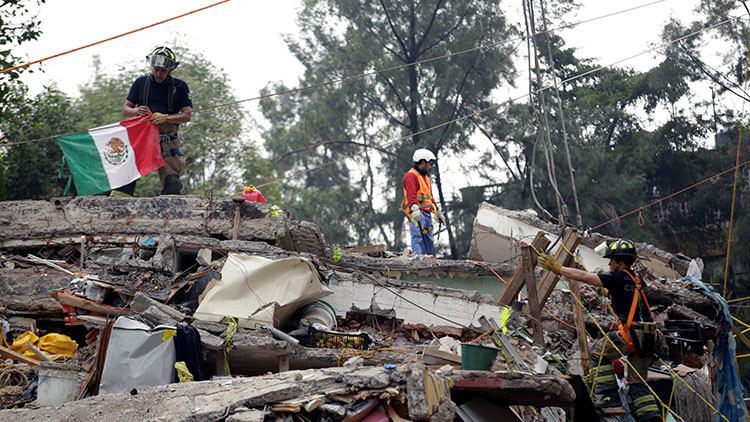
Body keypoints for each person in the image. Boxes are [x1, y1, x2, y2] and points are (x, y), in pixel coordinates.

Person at [538, 239, 662, 422]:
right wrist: (608, 293)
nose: (609, 263)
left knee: (597, 353)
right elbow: (627, 295)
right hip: (649, 337)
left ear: (619, 261)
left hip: (631, 334)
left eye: (611, 260)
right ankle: (651, 416)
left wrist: (558, 268)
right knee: (638, 383)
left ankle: (608, 398)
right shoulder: (637, 280)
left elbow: (584, 277)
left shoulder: (617, 277)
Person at [113, 46, 193, 197]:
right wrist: (136, 111)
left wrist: (166, 118)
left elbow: (187, 115)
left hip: (168, 141)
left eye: (163, 71)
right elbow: (126, 109)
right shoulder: (141, 83)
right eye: (156, 69)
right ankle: (119, 210)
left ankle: (168, 215)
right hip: (141, 139)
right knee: (125, 179)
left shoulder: (180, 87)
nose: (159, 73)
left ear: (170, 70)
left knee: (173, 185)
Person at [400, 149, 445, 255]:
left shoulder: (425, 178)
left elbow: (430, 198)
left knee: (429, 242)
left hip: (427, 215)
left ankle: (428, 262)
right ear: (423, 162)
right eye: (429, 164)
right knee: (418, 239)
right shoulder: (411, 175)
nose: (430, 167)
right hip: (418, 214)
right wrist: (414, 210)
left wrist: (437, 212)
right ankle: (418, 261)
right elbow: (411, 195)